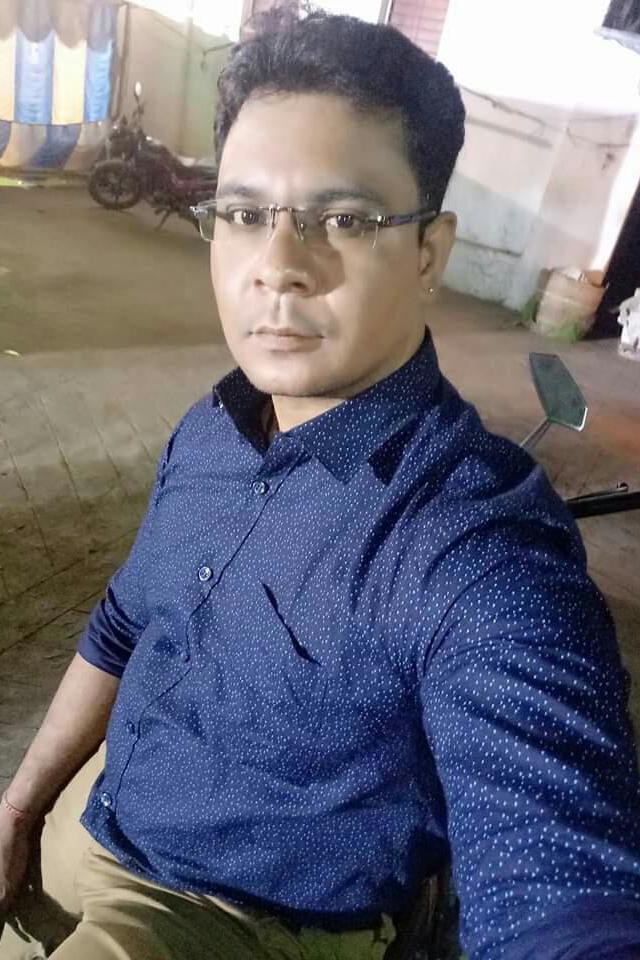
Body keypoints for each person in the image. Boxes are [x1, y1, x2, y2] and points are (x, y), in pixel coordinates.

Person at [2, 7, 640, 960]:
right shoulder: (216, 425)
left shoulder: (471, 548)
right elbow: (125, 623)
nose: (278, 268)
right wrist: (20, 804)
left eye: (343, 219)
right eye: (245, 214)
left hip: (228, 918)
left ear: (429, 253)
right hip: (85, 818)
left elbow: (560, 881)